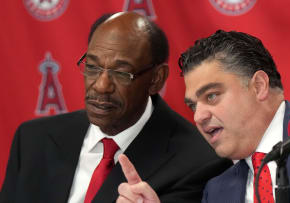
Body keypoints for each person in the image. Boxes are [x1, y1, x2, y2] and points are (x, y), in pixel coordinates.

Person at [0, 13, 232, 203]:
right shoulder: (33, 140)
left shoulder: (200, 162)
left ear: (156, 80)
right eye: (92, 67)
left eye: (121, 73)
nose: (101, 86)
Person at [115, 30, 290, 203]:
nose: (199, 116)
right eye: (192, 106)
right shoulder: (217, 192)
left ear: (259, 86)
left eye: (211, 96)